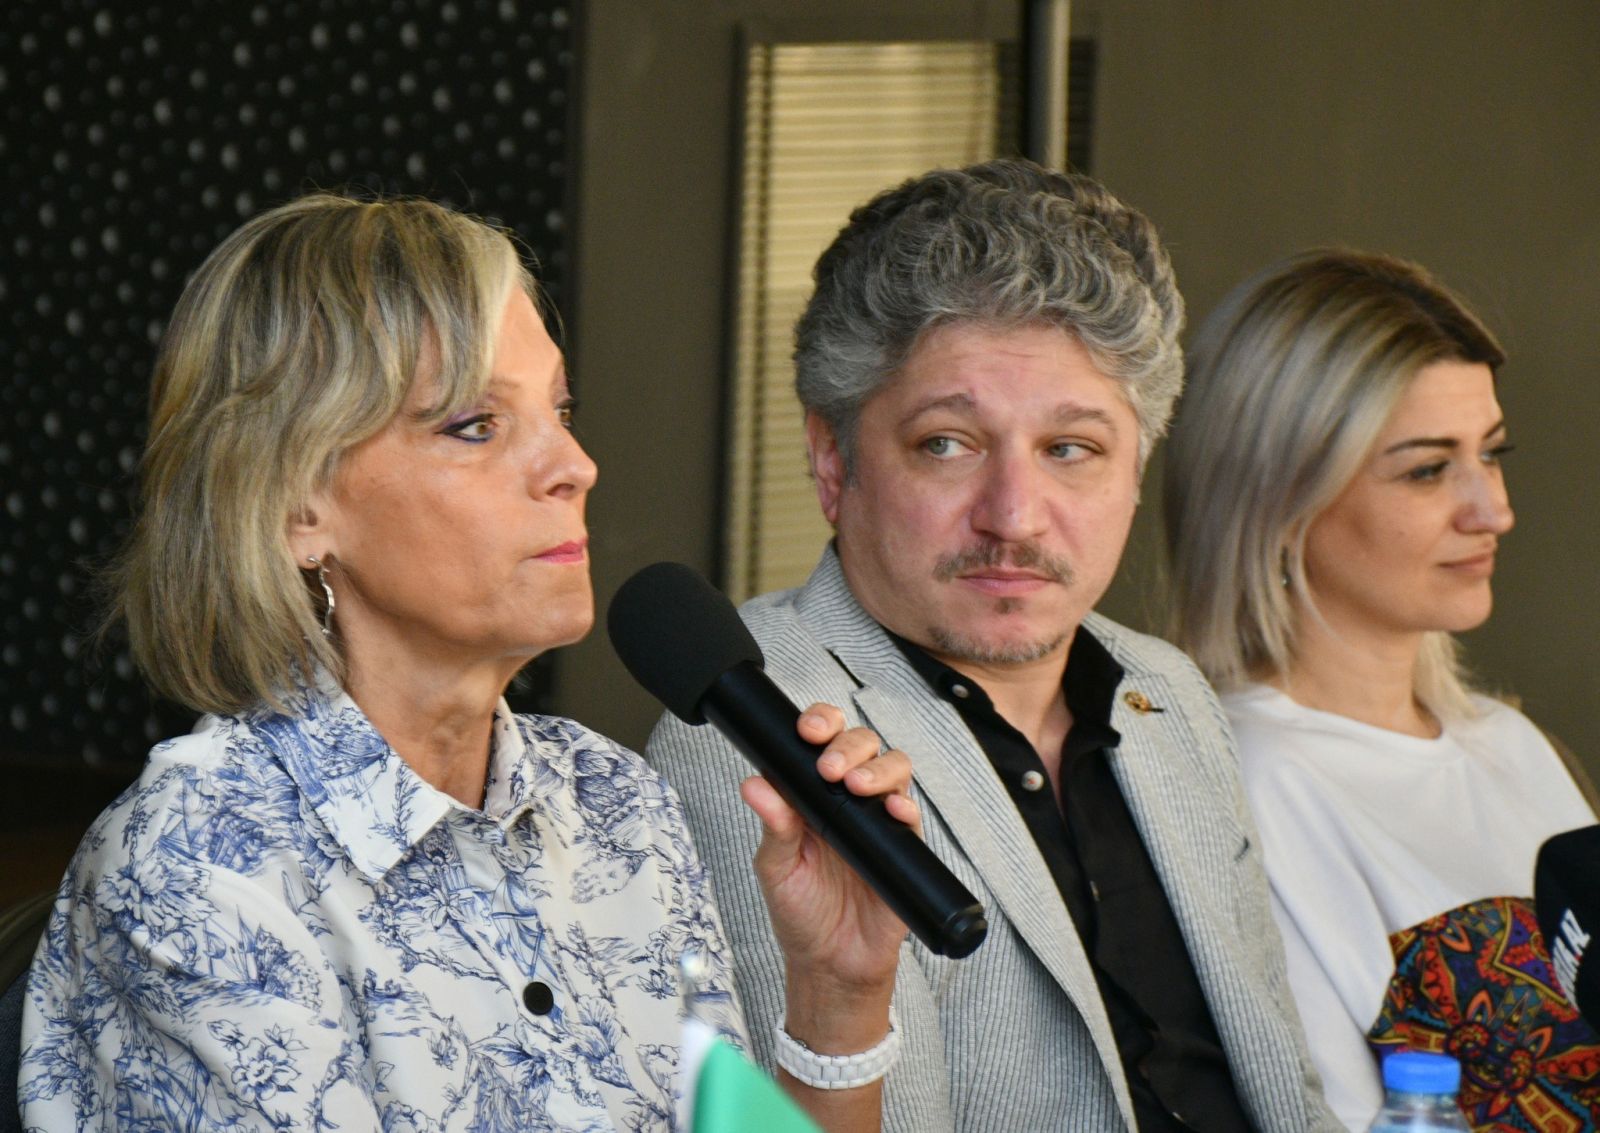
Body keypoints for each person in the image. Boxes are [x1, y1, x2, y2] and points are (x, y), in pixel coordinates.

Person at [18, 193, 921, 1131]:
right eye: (476, 425)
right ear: (294, 506)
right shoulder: (199, 861)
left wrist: (838, 996)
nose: (574, 465)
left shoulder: (617, 802)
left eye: (560, 409)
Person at [647, 159, 1340, 1131]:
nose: (1013, 515)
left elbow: (1283, 1092)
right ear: (831, 461)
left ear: (1136, 468)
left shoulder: (1165, 690)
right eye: (947, 443)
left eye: (1070, 449)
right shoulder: (750, 728)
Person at [1162, 248, 1600, 1131]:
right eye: (1427, 469)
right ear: (1278, 499)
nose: (1493, 509)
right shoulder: (1236, 783)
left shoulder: (1512, 747)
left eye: (1492, 453)